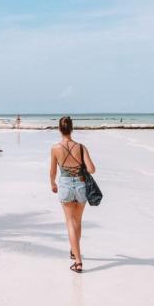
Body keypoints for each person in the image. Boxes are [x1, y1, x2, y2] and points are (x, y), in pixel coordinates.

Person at [49, 115, 95, 273]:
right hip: (81, 185)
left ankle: (78, 261)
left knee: (69, 222)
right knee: (78, 221)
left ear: (59, 129)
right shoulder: (81, 147)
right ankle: (73, 251)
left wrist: (52, 184)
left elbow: (53, 171)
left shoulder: (55, 148)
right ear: (72, 128)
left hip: (66, 186)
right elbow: (92, 169)